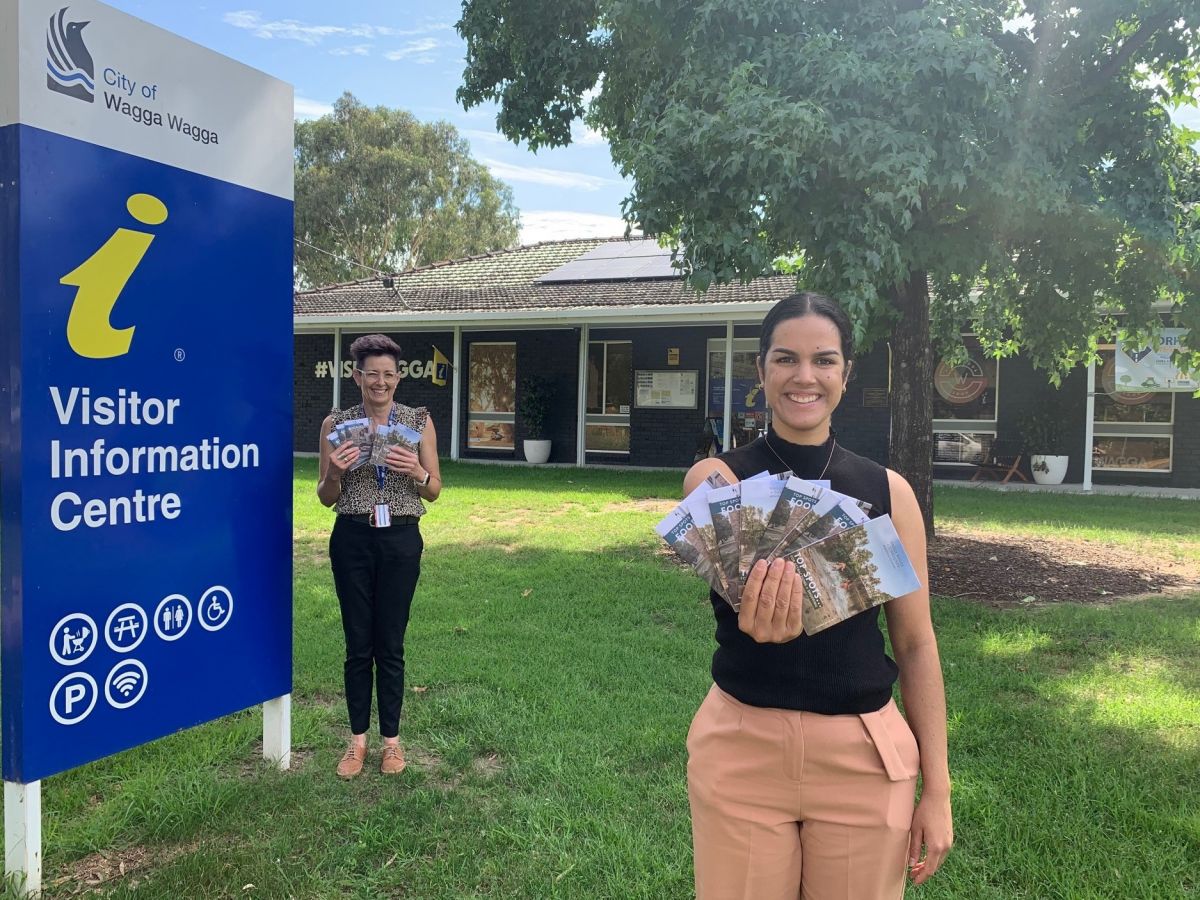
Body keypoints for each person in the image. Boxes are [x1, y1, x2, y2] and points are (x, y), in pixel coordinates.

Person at [683, 293, 953, 898]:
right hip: (742, 747)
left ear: (845, 374)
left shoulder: (888, 492)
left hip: (861, 755)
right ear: (760, 370)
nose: (804, 377)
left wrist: (937, 789)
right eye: (786, 359)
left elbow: (915, 644)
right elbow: (707, 508)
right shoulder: (720, 479)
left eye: (824, 360)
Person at [317, 334, 442, 778]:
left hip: (401, 539)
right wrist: (333, 472)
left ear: (398, 378)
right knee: (357, 644)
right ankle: (356, 743)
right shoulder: (336, 423)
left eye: (389, 374)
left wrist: (419, 471)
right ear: (358, 377)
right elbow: (325, 497)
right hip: (352, 537)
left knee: (390, 644)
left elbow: (435, 489)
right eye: (373, 374)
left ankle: (392, 742)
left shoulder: (418, 420)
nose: (381, 382)